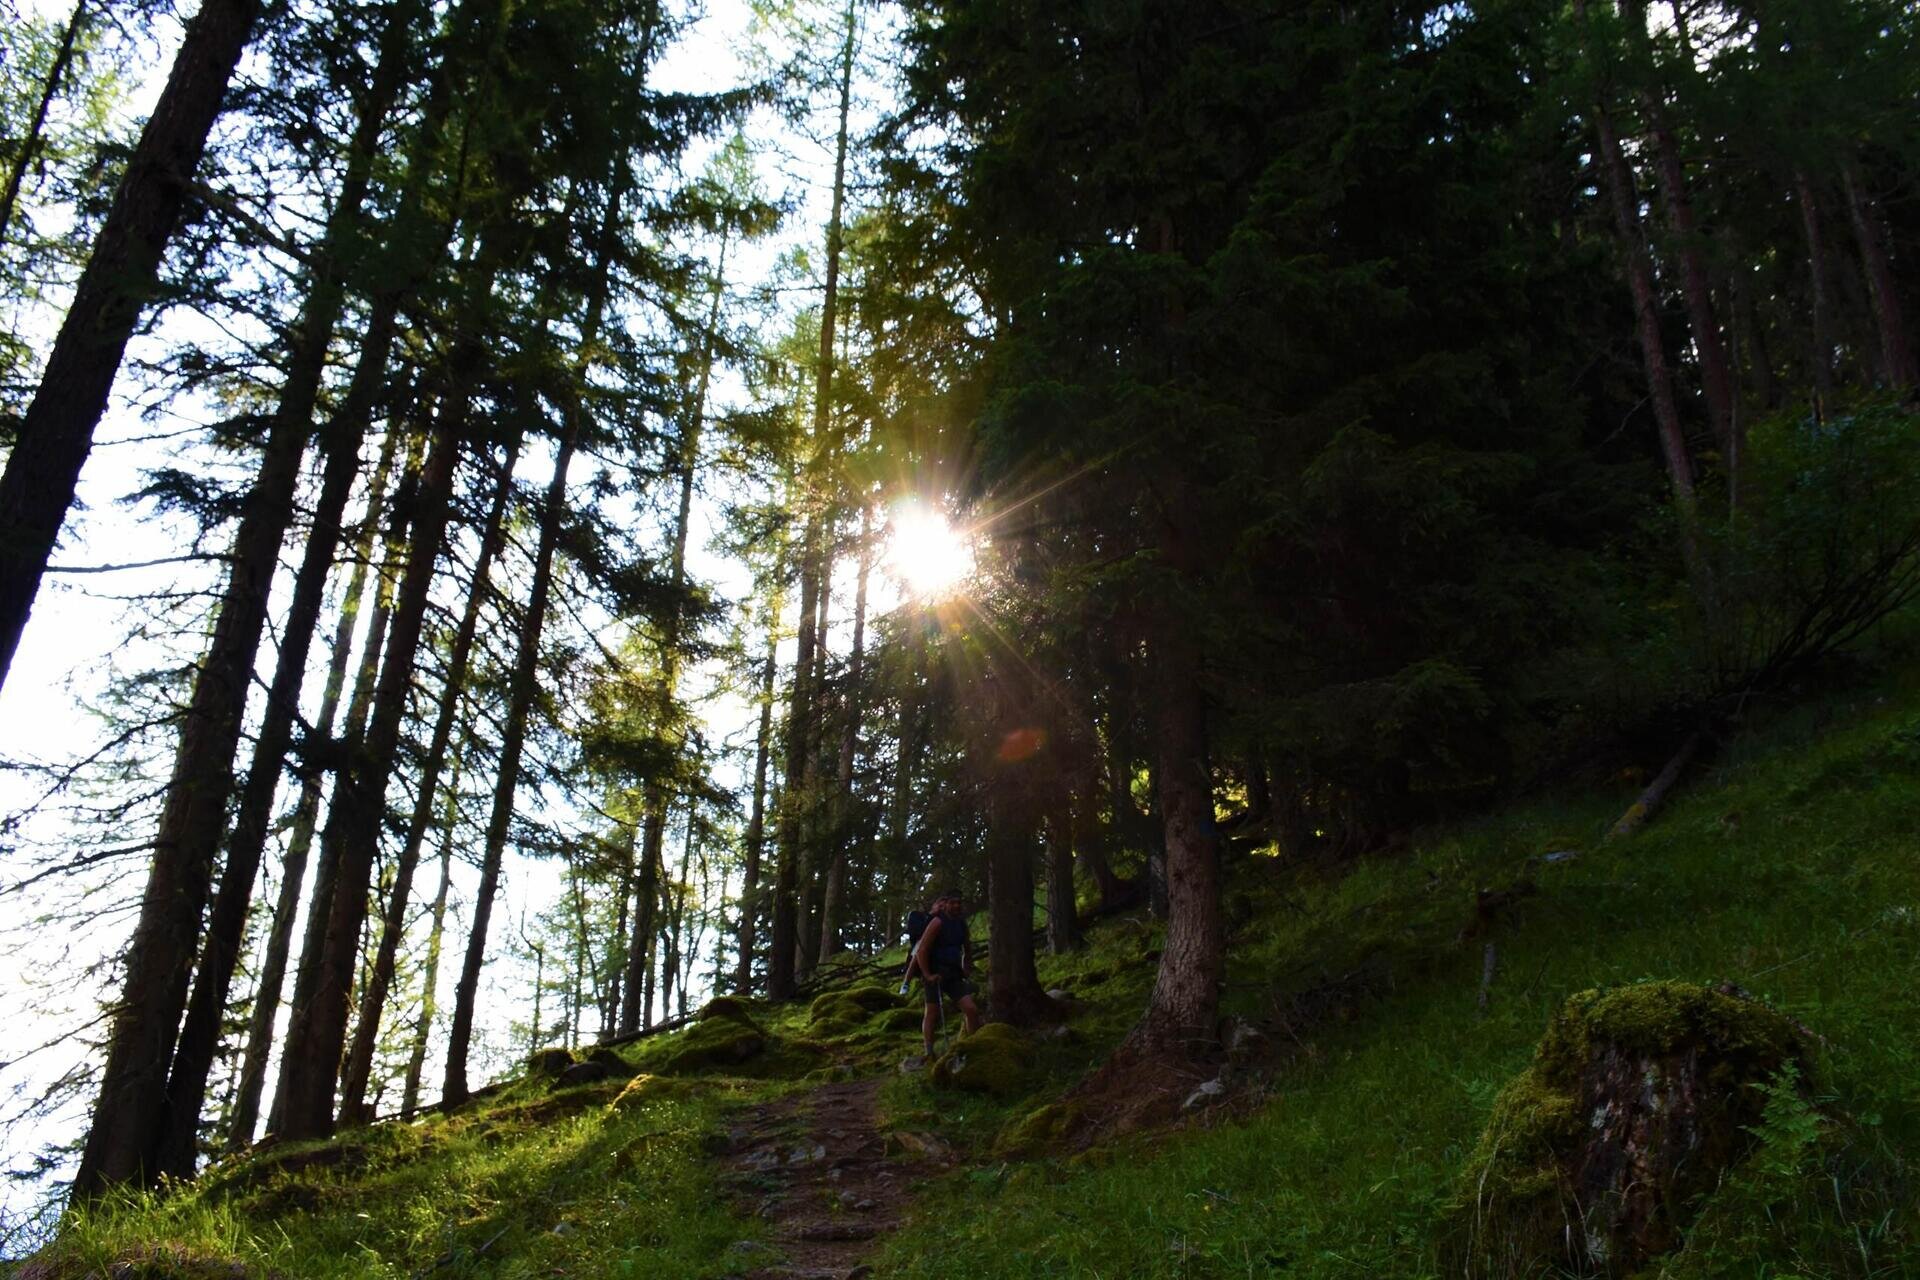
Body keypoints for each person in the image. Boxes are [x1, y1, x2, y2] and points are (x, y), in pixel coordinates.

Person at [912, 891, 981, 1060]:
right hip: (936, 974)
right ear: (945, 905)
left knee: (971, 1010)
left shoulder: (961, 924)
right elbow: (922, 950)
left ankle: (970, 1047)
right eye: (952, 903)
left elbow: (967, 948)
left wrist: (966, 965)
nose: (956, 906)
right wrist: (927, 975)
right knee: (932, 1012)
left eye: (959, 903)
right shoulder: (937, 922)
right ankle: (929, 1052)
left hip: (954, 973)